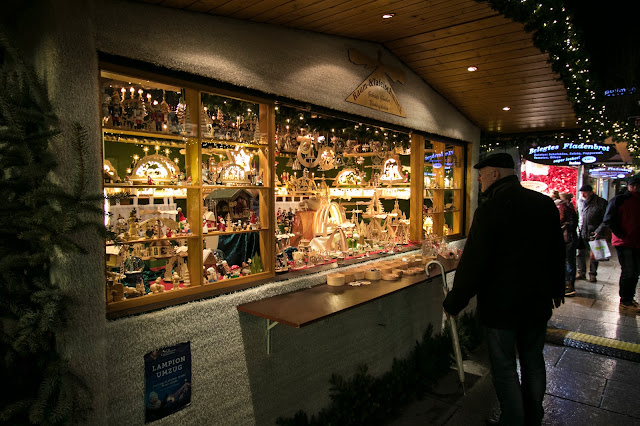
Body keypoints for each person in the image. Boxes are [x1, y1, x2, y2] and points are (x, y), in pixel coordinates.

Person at [442, 153, 565, 425]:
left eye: (482, 174)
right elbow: (557, 250)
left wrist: (454, 302)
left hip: (501, 304)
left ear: (495, 174)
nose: (479, 179)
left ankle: (513, 419)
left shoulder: (490, 209)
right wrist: (557, 288)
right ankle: (534, 415)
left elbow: (474, 262)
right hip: (537, 300)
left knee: (505, 366)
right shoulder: (544, 204)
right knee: (533, 361)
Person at [599, 174, 640, 313]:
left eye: (638, 186)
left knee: (635, 272)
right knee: (629, 271)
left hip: (637, 241)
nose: (636, 188)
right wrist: (621, 234)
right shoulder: (620, 200)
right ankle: (625, 300)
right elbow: (608, 219)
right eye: (633, 185)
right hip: (624, 242)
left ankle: (629, 298)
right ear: (629, 186)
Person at [576, 184, 608, 282]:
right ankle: (581, 272)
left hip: (594, 232)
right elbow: (579, 216)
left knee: (594, 254)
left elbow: (606, 219)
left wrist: (599, 231)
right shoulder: (580, 202)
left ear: (591, 192)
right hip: (581, 231)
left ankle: (592, 274)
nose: (583, 195)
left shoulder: (601, 202)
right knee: (580, 253)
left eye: (584, 193)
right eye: (581, 193)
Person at [558, 192, 579, 296]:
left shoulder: (562, 207)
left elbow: (560, 219)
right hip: (572, 237)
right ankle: (570, 284)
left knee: (566, 261)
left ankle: (568, 286)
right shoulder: (570, 207)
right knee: (570, 260)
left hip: (567, 238)